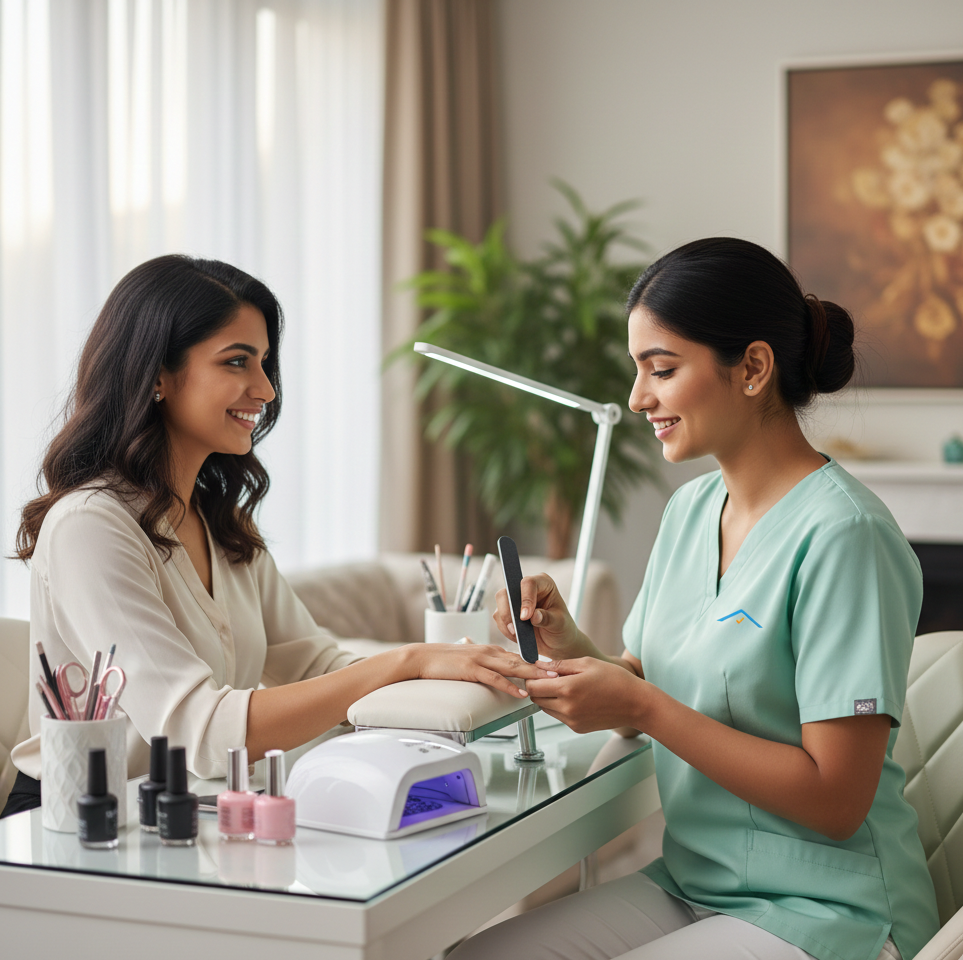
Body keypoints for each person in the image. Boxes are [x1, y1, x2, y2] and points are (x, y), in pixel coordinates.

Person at [452, 239, 939, 960]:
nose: (637, 398)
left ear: (751, 368)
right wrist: (567, 641)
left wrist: (641, 707)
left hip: (829, 907)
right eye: (638, 371)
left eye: (662, 369)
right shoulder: (689, 510)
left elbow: (836, 802)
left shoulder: (846, 537)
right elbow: (653, 678)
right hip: (693, 881)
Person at [2, 255, 547, 819]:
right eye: (237, 361)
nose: (264, 388)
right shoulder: (91, 526)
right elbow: (203, 734)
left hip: (182, 816)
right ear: (157, 375)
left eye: (264, 362)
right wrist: (406, 661)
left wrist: (457, 663)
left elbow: (317, 666)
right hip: (71, 829)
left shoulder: (221, 523)